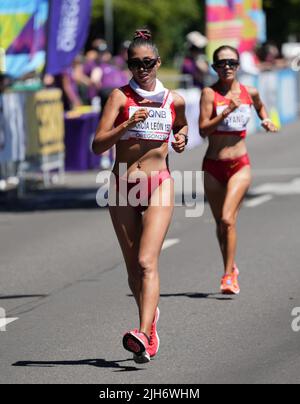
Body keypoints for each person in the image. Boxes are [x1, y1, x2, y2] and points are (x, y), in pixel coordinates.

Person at [92, 29, 188, 364]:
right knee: (133, 269)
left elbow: (182, 127)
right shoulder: (119, 97)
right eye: (135, 63)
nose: (142, 69)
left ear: (159, 63)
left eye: (148, 62)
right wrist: (125, 126)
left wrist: (182, 138)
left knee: (148, 262)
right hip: (121, 186)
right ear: (128, 65)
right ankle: (151, 321)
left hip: (159, 182)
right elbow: (98, 144)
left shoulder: (172, 100)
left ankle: (144, 335)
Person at [199, 45, 277, 295]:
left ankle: (228, 274)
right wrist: (226, 112)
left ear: (238, 65)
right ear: (214, 67)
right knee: (220, 224)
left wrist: (265, 119)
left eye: (231, 62)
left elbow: (260, 106)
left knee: (227, 219)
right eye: (221, 64)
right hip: (213, 165)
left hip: (239, 165)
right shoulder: (209, 94)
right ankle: (231, 266)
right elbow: (202, 130)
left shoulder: (249, 92)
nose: (227, 67)